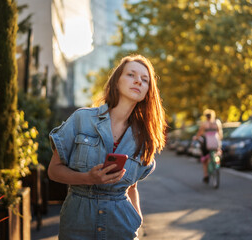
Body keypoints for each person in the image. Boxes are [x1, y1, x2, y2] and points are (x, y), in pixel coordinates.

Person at [48, 54, 166, 239]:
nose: (138, 81)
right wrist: (88, 178)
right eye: (131, 75)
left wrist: (137, 217)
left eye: (145, 80)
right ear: (116, 81)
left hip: (121, 226)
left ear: (147, 92)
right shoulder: (82, 119)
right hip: (77, 223)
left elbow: (131, 186)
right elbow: (53, 171)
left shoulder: (144, 138)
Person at [193, 109, 222, 184]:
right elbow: (220, 134)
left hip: (207, 143)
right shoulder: (217, 122)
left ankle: (206, 175)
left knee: (204, 159)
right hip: (216, 143)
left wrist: (196, 137)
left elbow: (199, 133)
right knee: (215, 154)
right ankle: (216, 163)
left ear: (206, 116)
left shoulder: (204, 124)